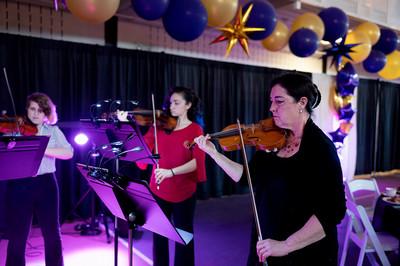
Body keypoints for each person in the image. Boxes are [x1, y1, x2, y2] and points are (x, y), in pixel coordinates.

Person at [195, 73, 346, 266]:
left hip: (303, 251)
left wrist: (286, 245)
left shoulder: (321, 148)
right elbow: (246, 177)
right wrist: (214, 153)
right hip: (266, 239)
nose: (271, 108)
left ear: (301, 102)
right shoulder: (272, 140)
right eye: (271, 101)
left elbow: (333, 211)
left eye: (279, 101)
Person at [118, 86, 206, 266]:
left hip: (184, 191)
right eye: (170, 103)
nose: (170, 107)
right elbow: (141, 151)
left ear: (188, 105)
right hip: (158, 189)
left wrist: (170, 172)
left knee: (184, 236)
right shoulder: (159, 126)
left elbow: (197, 162)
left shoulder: (196, 130)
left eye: (176, 103)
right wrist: (127, 124)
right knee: (159, 237)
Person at [5, 92, 73, 266]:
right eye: (32, 109)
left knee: (52, 234)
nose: (35, 114)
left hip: (46, 185)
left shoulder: (53, 131)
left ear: (46, 113)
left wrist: (41, 148)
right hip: (20, 185)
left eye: (40, 110)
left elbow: (68, 152)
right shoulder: (16, 131)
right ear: (27, 110)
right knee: (17, 236)